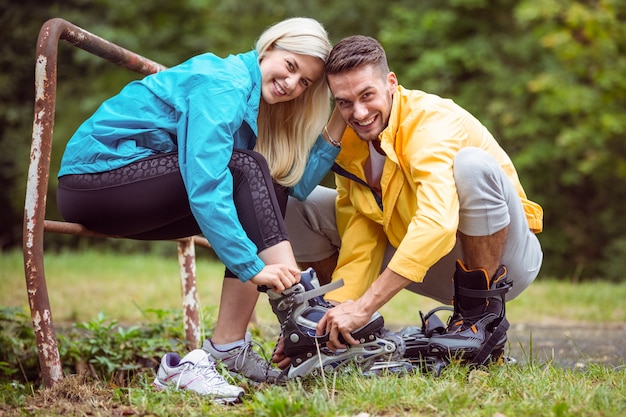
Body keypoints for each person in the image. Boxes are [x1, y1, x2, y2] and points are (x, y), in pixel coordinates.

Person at [56, 18, 344, 400]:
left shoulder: (253, 102)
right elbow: (206, 185)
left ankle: (228, 347)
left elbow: (292, 187)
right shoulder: (224, 82)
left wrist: (340, 114)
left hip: (135, 188)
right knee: (248, 168)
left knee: (264, 181)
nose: (292, 84)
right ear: (269, 47)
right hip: (96, 180)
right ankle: (298, 307)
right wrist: (253, 267)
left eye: (304, 82)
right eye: (290, 66)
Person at [282, 35, 543, 363]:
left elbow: (436, 223)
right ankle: (348, 338)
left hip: (505, 260)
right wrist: (335, 314)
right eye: (345, 102)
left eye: (367, 95)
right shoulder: (350, 144)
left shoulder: (430, 122)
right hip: (432, 265)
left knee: (472, 165)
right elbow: (362, 234)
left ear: (391, 83)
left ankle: (480, 323)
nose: (359, 112)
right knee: (296, 204)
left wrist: (367, 305)